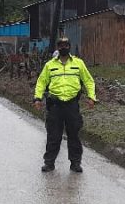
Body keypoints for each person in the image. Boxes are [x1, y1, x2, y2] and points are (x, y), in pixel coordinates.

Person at [33, 37, 97, 173]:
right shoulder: (50, 65)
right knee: (53, 136)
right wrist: (37, 98)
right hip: (55, 106)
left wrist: (91, 97)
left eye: (66, 45)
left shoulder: (78, 64)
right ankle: (49, 163)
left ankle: (75, 163)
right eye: (61, 46)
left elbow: (88, 81)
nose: (63, 48)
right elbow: (41, 82)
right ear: (58, 47)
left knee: (74, 135)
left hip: (72, 105)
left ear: (69, 47)